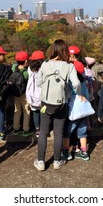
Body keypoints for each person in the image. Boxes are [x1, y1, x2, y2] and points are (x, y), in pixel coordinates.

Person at [34, 39, 82, 171]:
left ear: (53, 49)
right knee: (58, 132)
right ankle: (56, 161)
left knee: (43, 132)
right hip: (61, 103)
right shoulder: (69, 66)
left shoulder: (45, 64)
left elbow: (38, 82)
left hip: (45, 102)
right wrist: (75, 92)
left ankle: (41, 161)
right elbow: (77, 84)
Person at [62, 61, 91, 161]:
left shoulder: (70, 83)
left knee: (67, 132)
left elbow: (67, 95)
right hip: (83, 112)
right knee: (82, 133)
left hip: (73, 111)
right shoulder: (84, 83)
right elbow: (87, 97)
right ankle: (84, 152)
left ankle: (66, 152)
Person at [11, 51, 32, 137]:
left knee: (17, 111)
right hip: (24, 94)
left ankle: (16, 128)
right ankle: (25, 130)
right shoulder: (26, 72)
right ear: (26, 61)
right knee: (26, 111)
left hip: (16, 93)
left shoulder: (13, 68)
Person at [26, 50, 45, 138]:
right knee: (43, 111)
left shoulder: (30, 69)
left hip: (32, 94)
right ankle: (45, 128)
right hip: (43, 94)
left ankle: (37, 129)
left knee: (35, 112)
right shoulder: (45, 68)